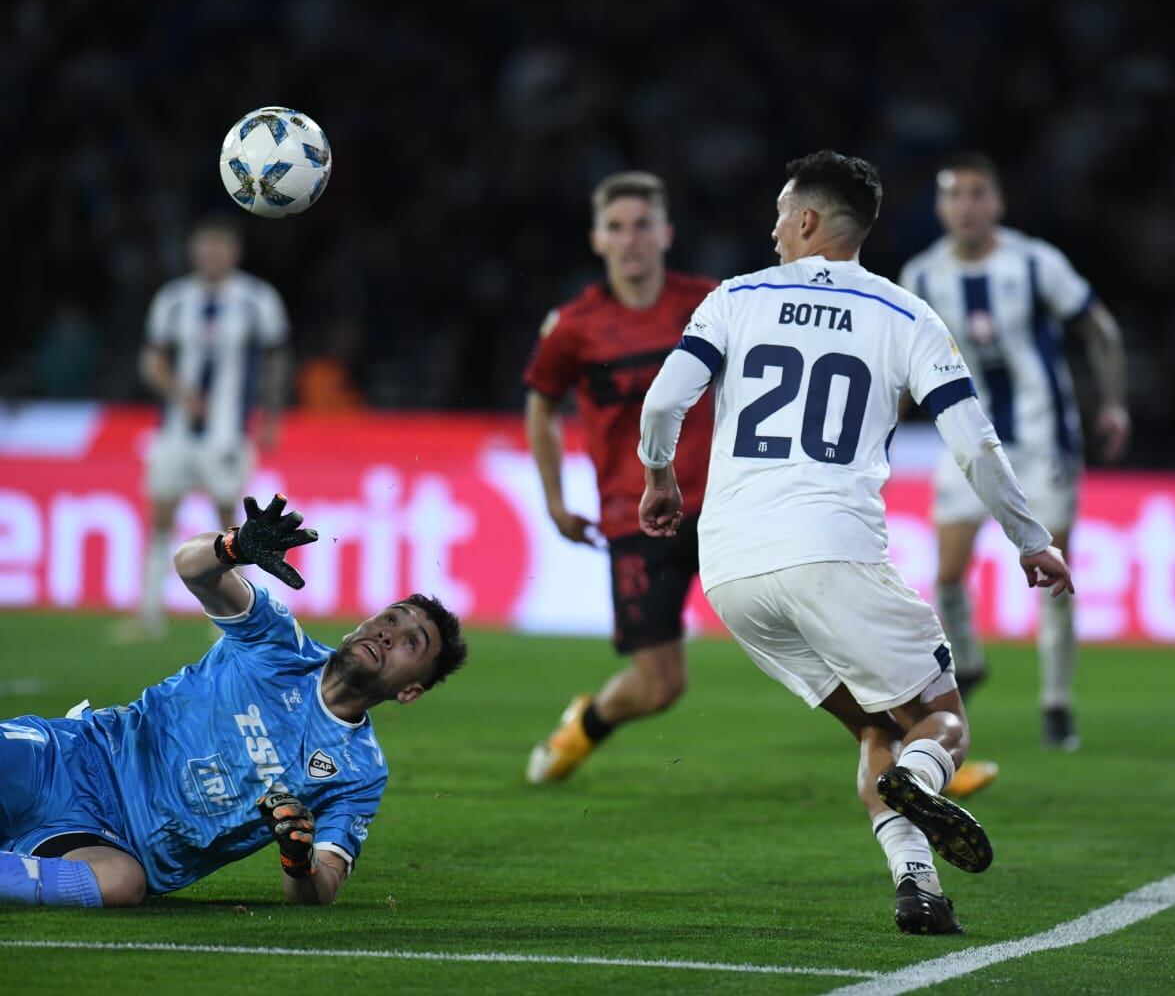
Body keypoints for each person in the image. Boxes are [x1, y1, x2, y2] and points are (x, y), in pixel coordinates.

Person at [637, 151, 1072, 935]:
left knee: (878, 724)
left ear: (807, 220)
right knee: (942, 724)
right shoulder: (906, 315)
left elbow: (667, 397)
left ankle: (919, 885)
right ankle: (921, 778)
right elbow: (973, 444)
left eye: (780, 213)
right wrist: (1029, 537)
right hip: (830, 553)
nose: (772, 230)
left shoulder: (735, 297)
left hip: (731, 571)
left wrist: (659, 478)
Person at [0, 494, 468, 907]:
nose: (390, 634)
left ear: (410, 691)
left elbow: (318, 889)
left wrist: (299, 860)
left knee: (122, 885)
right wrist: (235, 547)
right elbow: (191, 566)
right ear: (359, 625)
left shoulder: (360, 771)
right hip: (74, 759)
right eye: (391, 618)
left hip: (116, 845)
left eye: (412, 642)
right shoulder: (278, 642)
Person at [900, 152, 1129, 765]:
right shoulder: (921, 276)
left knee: (1054, 573)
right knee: (947, 574)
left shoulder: (1033, 262)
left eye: (978, 194)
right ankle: (969, 660)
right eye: (954, 195)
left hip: (1043, 441)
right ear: (941, 207)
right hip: (967, 443)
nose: (966, 206)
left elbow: (1098, 327)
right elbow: (897, 365)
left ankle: (1055, 701)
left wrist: (1113, 403)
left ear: (996, 204)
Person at [523, 172, 717, 784]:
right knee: (661, 686)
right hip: (636, 518)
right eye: (616, 227)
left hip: (725, 509)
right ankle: (588, 723)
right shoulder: (575, 326)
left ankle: (912, 755)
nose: (630, 239)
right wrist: (555, 501)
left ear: (666, 233)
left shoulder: (712, 303)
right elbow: (541, 406)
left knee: (812, 629)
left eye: (641, 224)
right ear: (596, 240)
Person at [118, 213, 292, 641]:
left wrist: (271, 417)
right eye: (205, 245)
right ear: (193, 250)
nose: (212, 253)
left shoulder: (258, 299)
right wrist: (180, 392)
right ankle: (148, 614)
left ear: (235, 251)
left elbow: (276, 361)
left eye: (221, 245)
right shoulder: (174, 299)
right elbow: (152, 360)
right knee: (161, 513)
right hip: (176, 431)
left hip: (228, 433)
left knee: (229, 522)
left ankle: (229, 619)